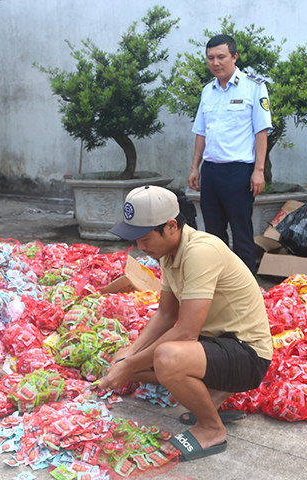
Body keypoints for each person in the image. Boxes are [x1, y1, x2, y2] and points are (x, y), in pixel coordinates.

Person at [101, 185, 272, 462]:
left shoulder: (200, 251)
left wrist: (133, 363)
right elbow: (166, 314)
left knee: (167, 356)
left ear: (170, 226)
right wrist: (128, 357)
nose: (139, 248)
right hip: (217, 345)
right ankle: (211, 399)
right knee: (125, 361)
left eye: (144, 238)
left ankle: (211, 428)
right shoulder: (169, 254)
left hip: (248, 354)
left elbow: (187, 331)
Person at [187, 34, 272, 273]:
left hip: (239, 171)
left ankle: (247, 292)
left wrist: (258, 170)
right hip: (211, 171)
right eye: (210, 58)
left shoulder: (254, 87)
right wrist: (195, 167)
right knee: (213, 237)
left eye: (221, 57)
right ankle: (220, 285)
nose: (216, 63)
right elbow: (201, 132)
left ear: (234, 57)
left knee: (241, 234)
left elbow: (261, 131)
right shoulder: (208, 91)